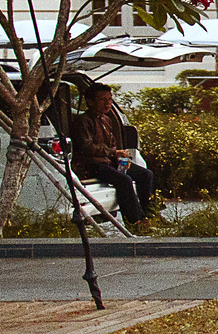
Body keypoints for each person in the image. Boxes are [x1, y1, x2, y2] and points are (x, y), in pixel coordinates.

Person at [59, 73, 154, 225]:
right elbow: (86, 147)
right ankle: (135, 221)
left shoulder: (107, 120)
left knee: (145, 174)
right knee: (124, 180)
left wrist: (120, 158)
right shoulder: (82, 121)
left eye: (109, 99)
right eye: (102, 100)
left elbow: (112, 144)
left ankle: (150, 213)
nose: (107, 103)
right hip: (92, 165)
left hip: (108, 162)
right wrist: (113, 153)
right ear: (90, 102)